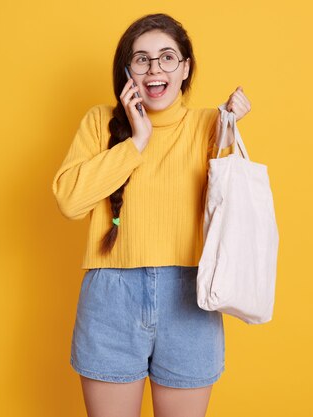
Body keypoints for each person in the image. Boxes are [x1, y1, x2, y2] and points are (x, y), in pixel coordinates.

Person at [52, 13, 251, 417]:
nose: (154, 68)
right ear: (127, 70)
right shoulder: (99, 123)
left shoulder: (208, 126)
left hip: (190, 298)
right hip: (111, 297)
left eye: (167, 58)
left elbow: (232, 208)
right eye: (141, 59)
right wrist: (136, 143)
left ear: (185, 68)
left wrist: (231, 124)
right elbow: (70, 201)